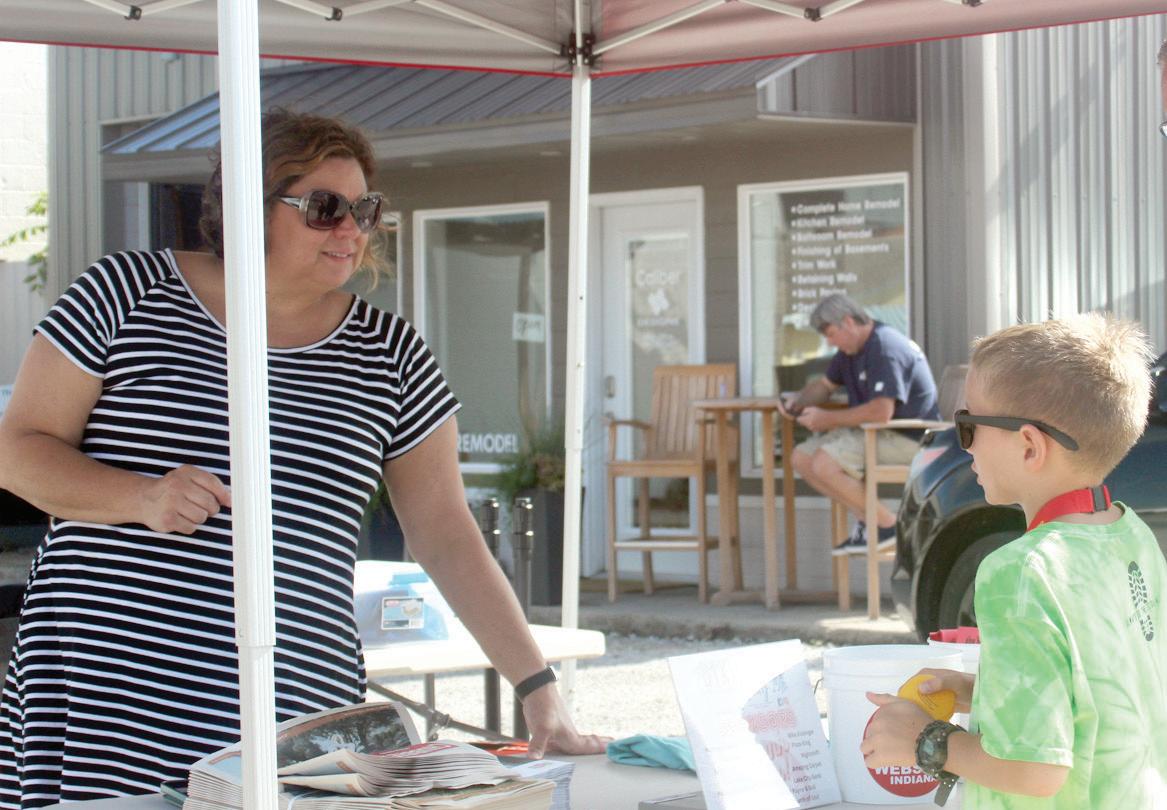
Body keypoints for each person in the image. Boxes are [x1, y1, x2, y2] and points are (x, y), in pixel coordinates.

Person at [0, 109, 604, 809]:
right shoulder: (125, 294)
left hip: (299, 712)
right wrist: (140, 497)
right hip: (112, 698)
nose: (350, 229)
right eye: (323, 208)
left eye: (363, 209)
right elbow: (18, 451)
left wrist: (539, 691)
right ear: (246, 209)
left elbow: (446, 533)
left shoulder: (390, 354)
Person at [861, 313, 1167, 808]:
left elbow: (1035, 769)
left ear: (1029, 446)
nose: (964, 445)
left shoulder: (1021, 571)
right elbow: (1100, 694)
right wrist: (984, 688)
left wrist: (922, 739)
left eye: (968, 426)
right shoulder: (1133, 536)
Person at [778, 294, 939, 554]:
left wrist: (827, 419)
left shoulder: (885, 348)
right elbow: (825, 386)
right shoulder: (849, 350)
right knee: (802, 458)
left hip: (910, 438)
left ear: (849, 322)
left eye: (831, 334)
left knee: (825, 463)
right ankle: (871, 523)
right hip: (878, 433)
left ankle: (891, 526)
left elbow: (881, 411)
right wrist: (797, 401)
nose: (829, 342)